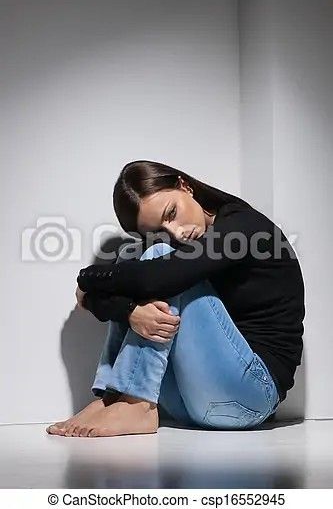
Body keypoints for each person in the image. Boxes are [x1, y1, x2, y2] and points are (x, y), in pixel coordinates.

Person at [46, 160, 305, 437]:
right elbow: (142, 278)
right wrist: (132, 312)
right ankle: (115, 397)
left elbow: (155, 278)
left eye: (172, 212)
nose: (176, 231)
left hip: (250, 397)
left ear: (185, 186)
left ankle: (136, 404)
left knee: (158, 263)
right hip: (191, 402)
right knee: (133, 258)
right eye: (159, 230)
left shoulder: (245, 227)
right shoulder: (185, 247)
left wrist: (88, 279)